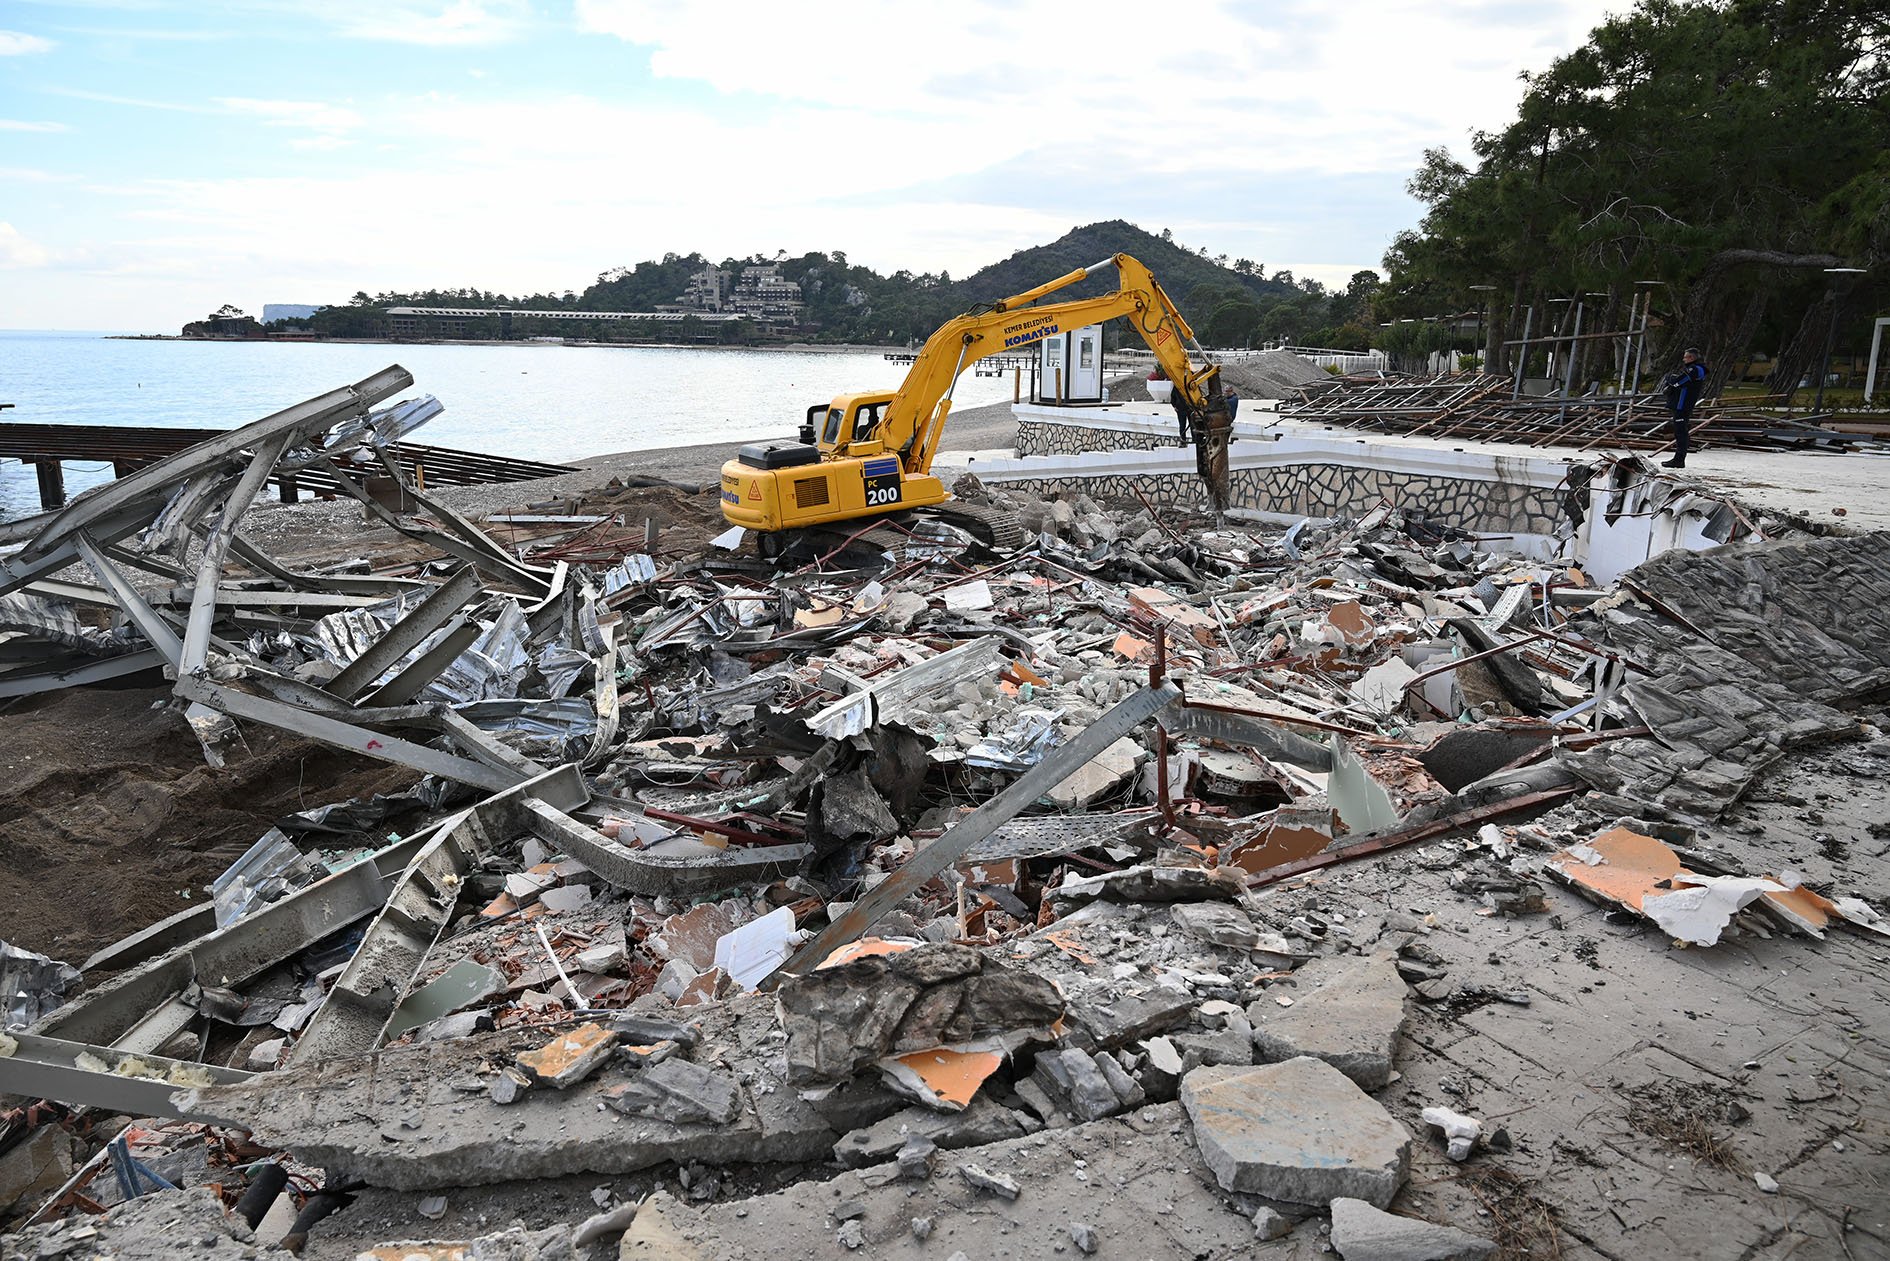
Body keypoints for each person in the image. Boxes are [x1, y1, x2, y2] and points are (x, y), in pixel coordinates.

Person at [1663, 347, 1706, 468]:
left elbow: (1678, 381)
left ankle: (1679, 459)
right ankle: (1678, 458)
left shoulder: (1695, 369)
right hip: (1679, 404)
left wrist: (1670, 378)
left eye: (1685, 357)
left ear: (1692, 357)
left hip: (1683, 404)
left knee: (1681, 432)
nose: (1683, 359)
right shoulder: (1693, 369)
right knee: (1679, 431)